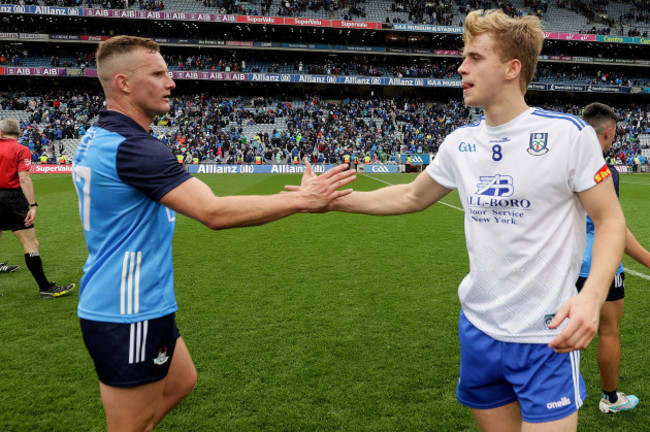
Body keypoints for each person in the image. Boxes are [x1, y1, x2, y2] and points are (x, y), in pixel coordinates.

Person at [289, 10, 626, 431]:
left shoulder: (567, 136)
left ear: (511, 67)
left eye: (474, 57)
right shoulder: (459, 143)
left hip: (546, 338)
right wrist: (331, 201)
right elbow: (411, 196)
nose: (461, 67)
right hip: (479, 331)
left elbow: (610, 219)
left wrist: (592, 297)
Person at [72, 35, 355, 432]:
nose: (171, 82)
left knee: (183, 381)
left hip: (139, 298)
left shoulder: (97, 137)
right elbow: (213, 212)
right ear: (123, 83)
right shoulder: (135, 149)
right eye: (158, 73)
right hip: (126, 309)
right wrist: (302, 200)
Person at [580, 102, 650, 413]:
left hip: (558, 263)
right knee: (608, 331)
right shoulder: (604, 171)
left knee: (553, 330)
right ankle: (610, 399)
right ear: (609, 133)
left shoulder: (557, 164)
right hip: (599, 265)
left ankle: (551, 394)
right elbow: (613, 227)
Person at [0, 118, 75, 299]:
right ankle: (45, 288)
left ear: (1, 133)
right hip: (12, 198)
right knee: (30, 243)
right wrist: (33, 205)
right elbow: (24, 178)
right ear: (20, 134)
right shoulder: (21, 149)